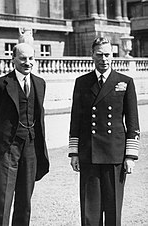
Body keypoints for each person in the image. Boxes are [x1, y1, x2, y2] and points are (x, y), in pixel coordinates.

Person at [68, 37, 140, 226]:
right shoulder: (82, 82)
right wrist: (74, 153)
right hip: (89, 154)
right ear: (92, 55)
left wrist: (130, 156)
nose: (104, 59)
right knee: (90, 212)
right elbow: (75, 120)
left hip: (115, 155)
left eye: (107, 54)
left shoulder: (125, 82)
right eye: (99, 54)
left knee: (113, 210)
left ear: (113, 56)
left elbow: (133, 123)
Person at [0, 43, 49, 226]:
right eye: (23, 58)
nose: (27, 62)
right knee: (2, 201)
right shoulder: (0, 84)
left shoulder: (39, 83)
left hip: (30, 148)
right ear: (13, 60)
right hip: (7, 149)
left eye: (31, 58)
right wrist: (1, 140)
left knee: (24, 201)